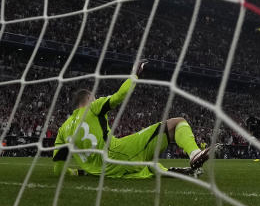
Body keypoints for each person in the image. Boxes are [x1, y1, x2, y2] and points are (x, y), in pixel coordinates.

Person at [52, 62, 211, 178]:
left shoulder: (63, 130)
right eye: (94, 97)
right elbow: (120, 96)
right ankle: (195, 154)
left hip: (104, 173)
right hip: (118, 155)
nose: (96, 98)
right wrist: (134, 74)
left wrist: (76, 172)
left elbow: (58, 170)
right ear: (89, 98)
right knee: (176, 123)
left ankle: (180, 172)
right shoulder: (93, 107)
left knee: (147, 165)